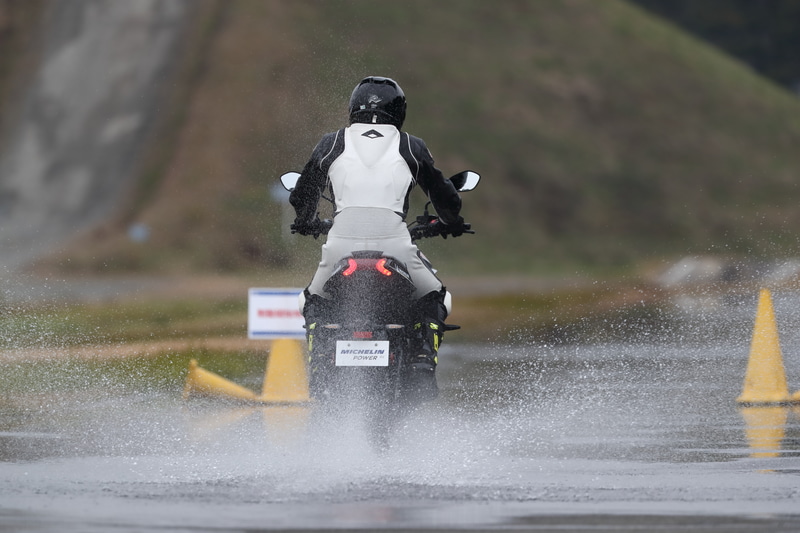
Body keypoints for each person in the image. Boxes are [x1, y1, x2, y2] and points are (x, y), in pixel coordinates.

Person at [289, 76, 466, 398]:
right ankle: (424, 362)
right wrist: (451, 221)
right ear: (399, 111)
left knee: (310, 300)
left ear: (353, 107)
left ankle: (317, 364)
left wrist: (304, 220)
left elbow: (303, 194)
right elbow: (444, 193)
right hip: (394, 243)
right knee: (436, 296)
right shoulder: (411, 145)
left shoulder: (331, 143)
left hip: (340, 242)